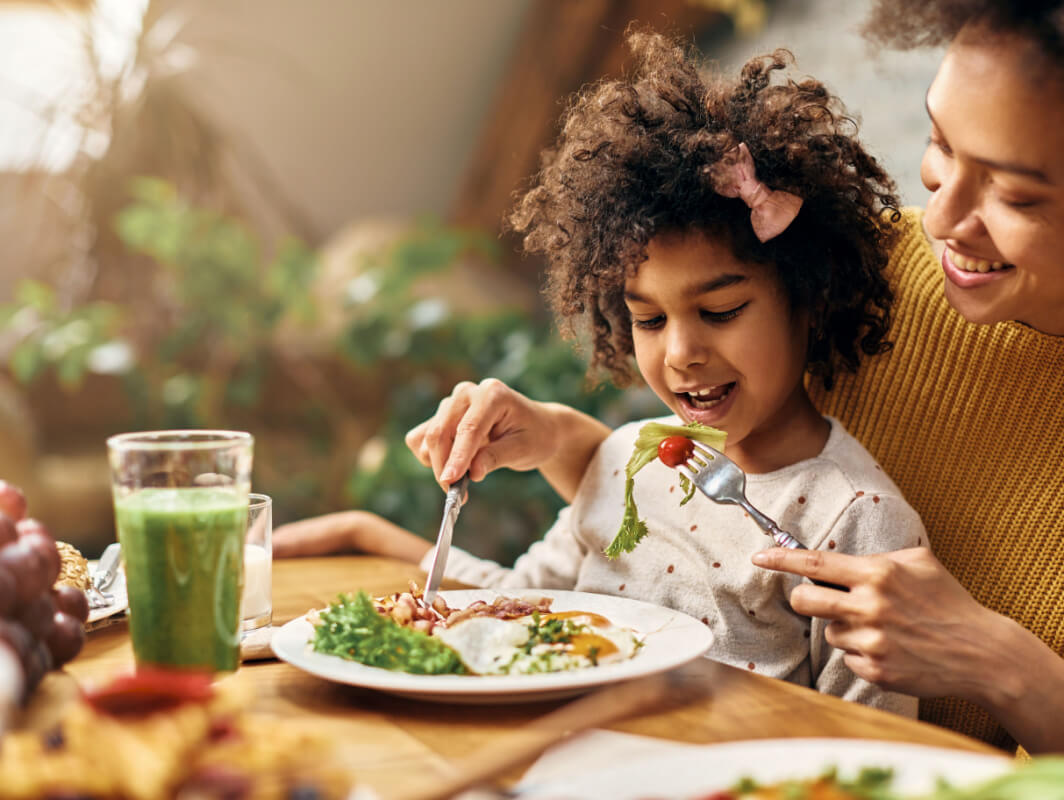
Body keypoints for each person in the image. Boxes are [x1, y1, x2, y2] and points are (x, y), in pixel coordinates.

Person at [338, 2, 1064, 798]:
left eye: (1014, 193)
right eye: (940, 150)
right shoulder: (853, 263)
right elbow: (706, 528)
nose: (942, 219)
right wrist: (569, 443)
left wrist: (1001, 663)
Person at [278, 32, 929, 714]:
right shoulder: (629, 463)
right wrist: (372, 541)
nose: (680, 353)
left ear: (810, 297)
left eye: (722, 310)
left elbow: (879, 749)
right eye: (649, 320)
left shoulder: (857, 522)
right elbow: (516, 610)